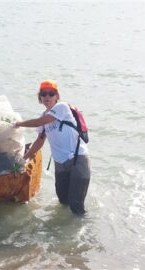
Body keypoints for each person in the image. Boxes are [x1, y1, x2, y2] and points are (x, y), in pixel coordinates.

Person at [15, 80, 91, 215]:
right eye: (44, 94)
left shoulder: (62, 107)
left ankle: (84, 233)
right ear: (40, 98)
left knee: (76, 205)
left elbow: (39, 122)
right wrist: (24, 159)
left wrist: (18, 124)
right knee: (63, 201)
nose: (47, 97)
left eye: (51, 93)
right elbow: (39, 141)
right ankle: (63, 234)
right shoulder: (43, 116)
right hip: (60, 163)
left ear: (57, 96)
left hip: (77, 159)